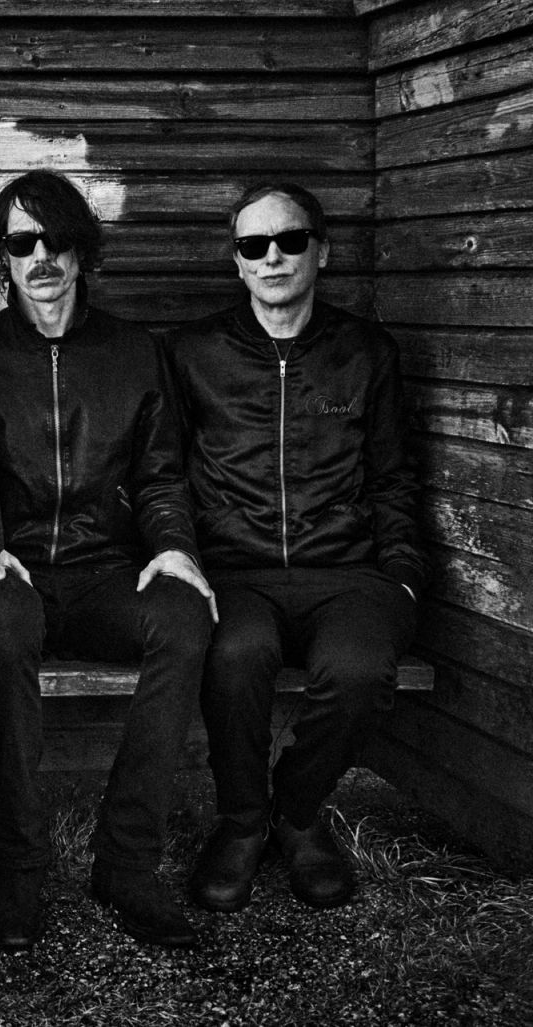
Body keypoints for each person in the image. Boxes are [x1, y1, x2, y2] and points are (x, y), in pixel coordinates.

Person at [0, 171, 216, 950]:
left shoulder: (134, 353)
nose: (42, 256)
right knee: (2, 629)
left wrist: (174, 549)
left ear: (81, 250)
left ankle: (126, 862)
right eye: (21, 242)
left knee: (185, 619)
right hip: (12, 570)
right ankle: (18, 864)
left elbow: (161, 474)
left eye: (57, 239)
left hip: (105, 570)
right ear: (2, 257)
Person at [164, 181, 423, 912]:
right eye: (254, 245)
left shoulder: (365, 352)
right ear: (237, 261)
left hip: (348, 572)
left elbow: (395, 477)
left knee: (361, 670)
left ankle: (299, 812)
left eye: (290, 240)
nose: (272, 257)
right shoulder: (192, 353)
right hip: (234, 569)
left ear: (322, 251)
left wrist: (404, 575)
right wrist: (183, 557)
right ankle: (242, 821)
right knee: (236, 657)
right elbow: (163, 474)